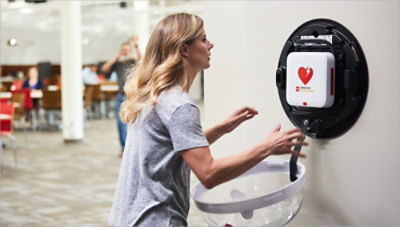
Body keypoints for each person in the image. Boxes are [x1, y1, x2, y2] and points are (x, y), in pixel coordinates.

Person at [108, 13, 308, 226]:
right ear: (184, 49)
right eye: (203, 39)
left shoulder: (154, 95)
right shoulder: (179, 105)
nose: (210, 45)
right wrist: (267, 148)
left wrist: (222, 128)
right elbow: (208, 173)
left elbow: (170, 150)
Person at [102, 38, 142, 157]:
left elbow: (142, 61)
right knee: (120, 124)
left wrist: (136, 47)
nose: (125, 52)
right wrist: (118, 55)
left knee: (136, 123)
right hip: (120, 96)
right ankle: (124, 148)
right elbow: (104, 69)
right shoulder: (118, 64)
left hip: (133, 97)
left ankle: (134, 147)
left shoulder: (133, 62)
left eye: (127, 50)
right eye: (123, 50)